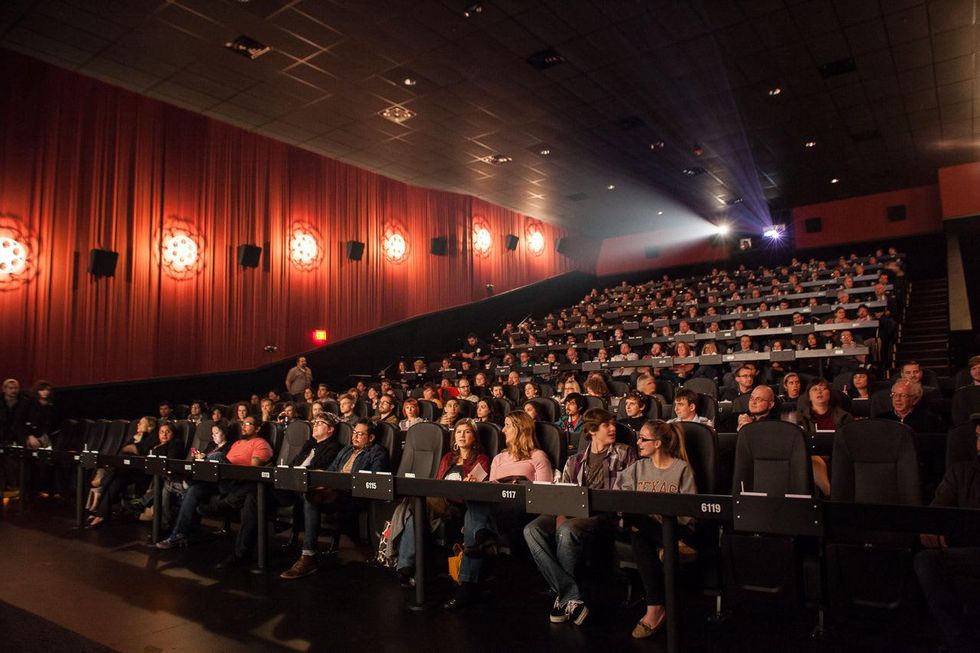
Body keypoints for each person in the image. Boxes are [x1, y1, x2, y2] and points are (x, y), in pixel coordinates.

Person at [524, 407, 636, 625]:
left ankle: (564, 596)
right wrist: (561, 514)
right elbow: (564, 492)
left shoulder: (624, 453)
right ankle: (571, 595)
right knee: (531, 530)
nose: (613, 428)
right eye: (607, 425)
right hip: (573, 511)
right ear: (592, 430)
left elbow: (627, 494)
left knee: (567, 530)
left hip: (604, 515)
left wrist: (567, 518)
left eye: (613, 423)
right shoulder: (574, 460)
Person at [446, 411, 553, 608]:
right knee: (475, 502)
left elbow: (543, 496)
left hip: (522, 509)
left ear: (521, 429)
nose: (503, 430)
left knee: (473, 517)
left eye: (507, 426)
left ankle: (469, 582)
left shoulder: (538, 457)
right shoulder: (499, 458)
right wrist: (475, 484)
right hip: (497, 510)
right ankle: (482, 540)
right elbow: (490, 490)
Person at [616, 420, 697, 639]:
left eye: (644, 439)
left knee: (640, 528)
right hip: (654, 534)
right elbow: (618, 496)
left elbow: (688, 512)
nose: (638, 442)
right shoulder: (638, 468)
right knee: (638, 529)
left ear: (658, 443)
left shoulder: (681, 468)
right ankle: (670, 548)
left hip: (678, 530)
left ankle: (655, 610)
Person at [283, 419, 389, 578]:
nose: (355, 437)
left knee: (312, 497)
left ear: (371, 437)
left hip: (353, 497)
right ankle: (307, 554)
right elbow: (331, 471)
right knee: (310, 494)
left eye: (360, 434)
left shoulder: (377, 452)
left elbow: (372, 480)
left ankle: (308, 556)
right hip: (335, 492)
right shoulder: (346, 450)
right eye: (354, 433)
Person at [393, 420, 490, 585]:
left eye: (467, 432)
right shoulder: (448, 458)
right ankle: (409, 568)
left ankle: (405, 565)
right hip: (437, 503)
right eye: (458, 432)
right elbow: (437, 483)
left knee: (412, 506)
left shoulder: (482, 459)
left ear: (474, 437)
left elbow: (474, 488)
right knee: (416, 517)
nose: (462, 435)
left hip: (458, 505)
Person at [914, 413, 980, 653]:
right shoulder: (960, 472)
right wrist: (932, 528)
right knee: (926, 560)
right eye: (978, 438)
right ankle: (960, 642)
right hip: (965, 551)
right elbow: (937, 512)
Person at [155, 421, 234, 548]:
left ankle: (185, 483)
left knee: (214, 458)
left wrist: (205, 458)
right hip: (202, 482)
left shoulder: (230, 446)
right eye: (212, 433)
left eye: (216, 433)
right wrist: (199, 457)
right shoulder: (210, 445)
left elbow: (225, 463)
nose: (213, 436)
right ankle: (176, 533)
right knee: (190, 490)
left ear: (224, 433)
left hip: (217, 482)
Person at [87, 416, 161, 527]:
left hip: (141, 473)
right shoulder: (137, 437)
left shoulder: (153, 437)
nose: (138, 425)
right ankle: (100, 515)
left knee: (113, 477)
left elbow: (134, 450)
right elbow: (125, 449)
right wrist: (134, 444)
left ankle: (102, 482)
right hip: (128, 472)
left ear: (150, 426)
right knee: (114, 484)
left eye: (141, 423)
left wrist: (134, 445)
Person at [792, 379, 852, 495]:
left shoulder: (844, 417)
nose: (819, 392)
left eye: (823, 389)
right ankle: (830, 493)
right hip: (812, 458)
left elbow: (850, 443)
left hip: (838, 456)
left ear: (830, 394)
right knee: (813, 459)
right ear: (808, 396)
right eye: (815, 389)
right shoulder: (801, 418)